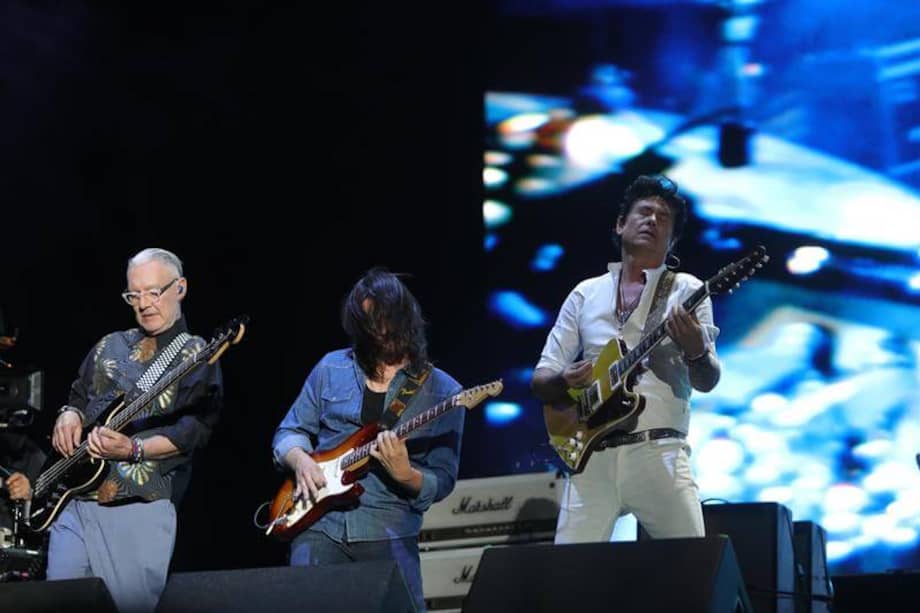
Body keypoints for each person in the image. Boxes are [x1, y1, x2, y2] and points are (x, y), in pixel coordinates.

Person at [7, 247, 223, 612]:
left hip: (135, 506)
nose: (144, 304)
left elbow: (196, 429)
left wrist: (133, 450)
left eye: (153, 292)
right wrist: (68, 415)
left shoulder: (195, 353)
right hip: (72, 502)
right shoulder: (110, 344)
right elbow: (78, 396)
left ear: (181, 288)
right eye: (133, 295)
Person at [531, 174, 721, 543]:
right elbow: (541, 381)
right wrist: (564, 380)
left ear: (672, 240)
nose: (653, 220)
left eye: (663, 218)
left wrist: (696, 350)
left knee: (692, 565)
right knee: (568, 572)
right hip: (591, 457)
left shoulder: (687, 289)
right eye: (645, 212)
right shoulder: (585, 293)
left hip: (659, 451)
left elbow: (708, 380)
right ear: (620, 224)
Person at [272, 267, 464, 612]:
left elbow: (444, 478)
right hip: (319, 526)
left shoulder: (444, 392)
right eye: (370, 325)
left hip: (388, 531)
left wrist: (406, 474)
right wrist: (300, 461)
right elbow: (289, 432)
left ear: (405, 318)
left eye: (386, 320)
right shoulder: (331, 368)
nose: (381, 332)